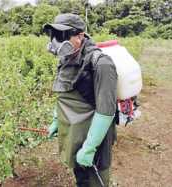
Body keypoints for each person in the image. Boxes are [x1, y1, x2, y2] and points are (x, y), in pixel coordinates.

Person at [44, 13, 117, 187]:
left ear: (80, 36)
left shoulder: (101, 63)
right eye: (54, 36)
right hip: (74, 132)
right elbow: (65, 91)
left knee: (94, 179)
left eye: (62, 36)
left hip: (94, 138)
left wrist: (90, 147)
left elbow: (106, 111)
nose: (56, 42)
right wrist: (57, 119)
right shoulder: (66, 59)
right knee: (81, 178)